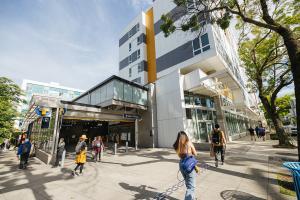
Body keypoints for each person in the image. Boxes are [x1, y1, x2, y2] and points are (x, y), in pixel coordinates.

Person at [173, 131, 197, 200]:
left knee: (188, 183)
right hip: (189, 165)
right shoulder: (188, 143)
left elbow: (180, 155)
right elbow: (195, 153)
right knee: (191, 187)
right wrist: (190, 152)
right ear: (185, 136)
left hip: (181, 164)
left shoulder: (176, 145)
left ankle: (192, 198)